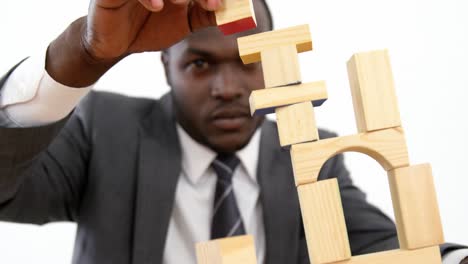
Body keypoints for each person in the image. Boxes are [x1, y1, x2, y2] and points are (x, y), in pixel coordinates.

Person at [0, 0, 466, 263]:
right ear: (166, 65)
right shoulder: (105, 130)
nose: (228, 88)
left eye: (250, 63)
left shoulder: (310, 152)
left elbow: (384, 249)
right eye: (200, 63)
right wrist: (84, 56)